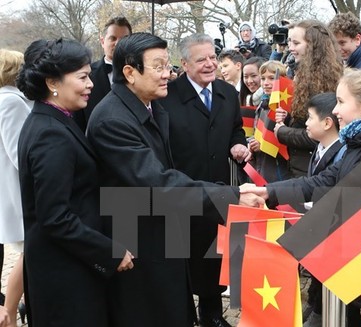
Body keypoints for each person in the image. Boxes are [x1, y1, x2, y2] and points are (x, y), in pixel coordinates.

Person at [86, 32, 261, 327]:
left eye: (167, 65)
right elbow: (157, 182)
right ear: (130, 72)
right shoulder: (113, 120)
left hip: (163, 227)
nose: (168, 74)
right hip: (139, 239)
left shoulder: (146, 105)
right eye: (158, 67)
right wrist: (231, 195)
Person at [241, 69, 361, 326]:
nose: (336, 111)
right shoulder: (358, 142)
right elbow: (323, 181)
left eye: (341, 102)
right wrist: (269, 192)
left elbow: (358, 209)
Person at [16, 38, 134, 327]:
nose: (91, 84)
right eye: (82, 77)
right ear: (53, 82)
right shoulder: (50, 134)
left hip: (68, 267)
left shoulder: (56, 120)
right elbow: (54, 216)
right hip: (64, 276)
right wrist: (108, 251)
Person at [160, 33, 250, 327]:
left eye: (213, 57)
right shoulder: (166, 97)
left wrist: (238, 143)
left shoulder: (226, 92)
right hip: (180, 191)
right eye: (202, 60)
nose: (211, 64)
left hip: (218, 192)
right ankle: (182, 312)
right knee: (181, 256)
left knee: (214, 255)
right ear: (184, 64)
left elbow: (236, 129)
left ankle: (211, 313)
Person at [274, 19, 344, 177]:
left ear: (313, 45)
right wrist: (288, 118)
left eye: (296, 43)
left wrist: (282, 132)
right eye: (290, 42)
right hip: (300, 166)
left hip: (311, 171)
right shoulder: (303, 75)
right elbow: (304, 122)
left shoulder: (324, 82)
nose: (290, 48)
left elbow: (320, 134)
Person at [300, 92, 343, 327]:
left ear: (327, 123)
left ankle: (319, 313)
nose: (305, 123)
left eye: (310, 117)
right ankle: (315, 307)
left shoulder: (341, 154)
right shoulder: (319, 148)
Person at [0, 48, 32, 327]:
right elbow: (19, 152)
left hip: (10, 189)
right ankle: (9, 311)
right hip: (17, 192)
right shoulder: (11, 102)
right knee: (29, 252)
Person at [73, 16, 132, 132]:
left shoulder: (142, 75)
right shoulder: (85, 76)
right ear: (102, 41)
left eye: (124, 39)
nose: (118, 43)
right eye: (113, 38)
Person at [247, 60, 292, 183]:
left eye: (271, 78)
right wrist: (253, 144)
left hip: (279, 171)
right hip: (262, 166)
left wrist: (264, 145)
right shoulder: (261, 105)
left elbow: (287, 142)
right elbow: (257, 133)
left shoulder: (287, 107)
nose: (266, 83)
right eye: (263, 78)